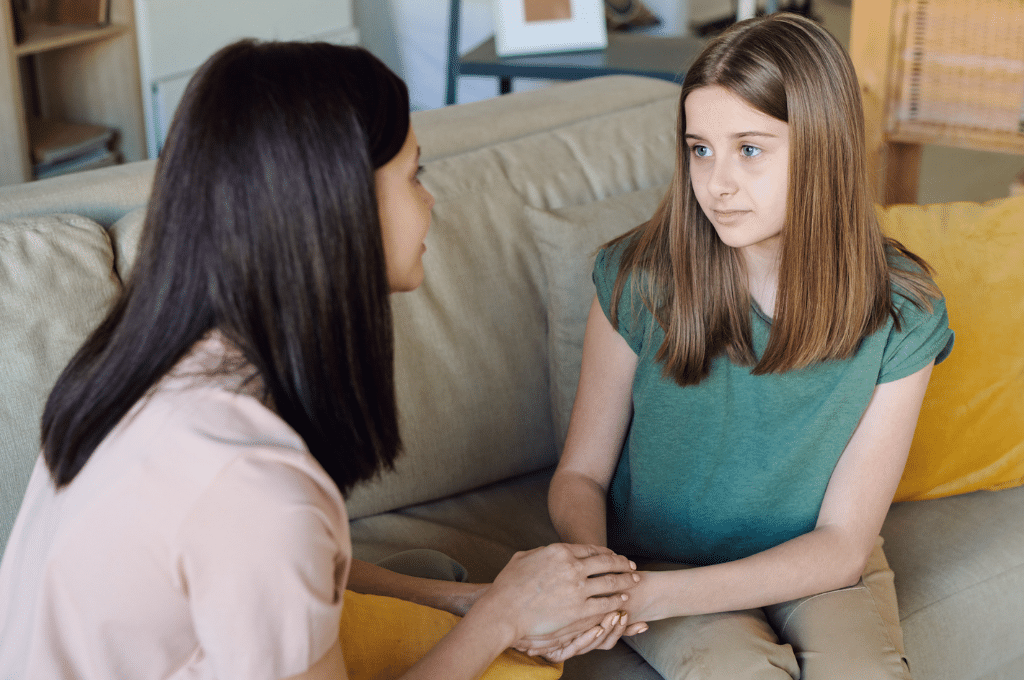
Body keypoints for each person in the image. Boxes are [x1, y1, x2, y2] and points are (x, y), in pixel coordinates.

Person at [0, 40, 642, 680]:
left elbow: (267, 566)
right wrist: (501, 617)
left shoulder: (147, 370)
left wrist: (463, 600)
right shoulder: (251, 482)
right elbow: (267, 527)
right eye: (413, 175)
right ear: (341, 210)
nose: (430, 201)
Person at [547, 13, 954, 680]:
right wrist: (602, 579)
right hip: (658, 559)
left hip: (812, 562)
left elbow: (842, 544)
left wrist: (646, 599)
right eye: (700, 149)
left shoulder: (904, 311)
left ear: (823, 149)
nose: (718, 183)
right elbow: (580, 476)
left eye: (750, 149)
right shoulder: (637, 278)